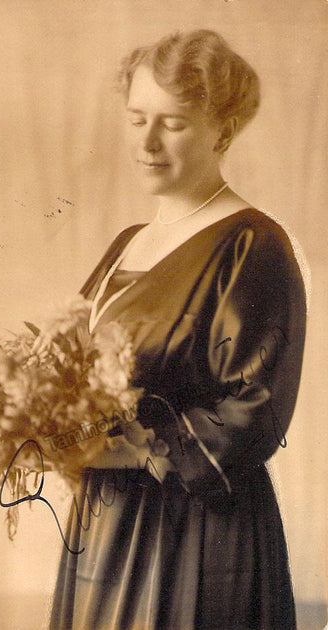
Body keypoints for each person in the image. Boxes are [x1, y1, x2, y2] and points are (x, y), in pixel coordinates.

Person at [49, 30, 306, 630]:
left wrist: (120, 447)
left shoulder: (253, 245)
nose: (147, 142)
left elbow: (255, 412)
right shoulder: (127, 243)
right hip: (106, 526)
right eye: (137, 119)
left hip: (196, 534)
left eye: (173, 123)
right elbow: (75, 369)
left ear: (223, 130)